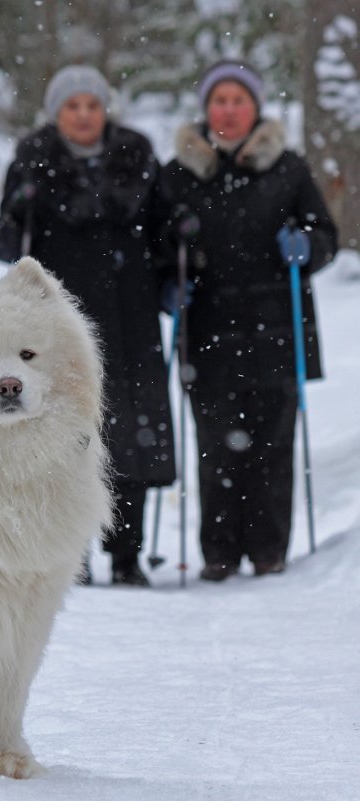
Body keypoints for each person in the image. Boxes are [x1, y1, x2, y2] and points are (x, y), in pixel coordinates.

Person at [0, 65, 175, 587]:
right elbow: (5, 246)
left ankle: (126, 555)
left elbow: (163, 236)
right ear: (57, 113)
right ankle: (73, 554)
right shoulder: (32, 161)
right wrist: (18, 210)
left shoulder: (136, 157)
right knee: (66, 434)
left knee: (131, 437)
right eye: (73, 106)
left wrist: (183, 255)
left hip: (132, 318)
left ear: (105, 109)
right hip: (62, 327)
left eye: (92, 105)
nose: (84, 115)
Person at [161, 59, 338, 581]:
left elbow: (324, 235)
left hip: (276, 330)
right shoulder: (179, 176)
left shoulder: (288, 169)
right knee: (216, 444)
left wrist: (307, 245)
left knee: (272, 445)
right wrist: (170, 279)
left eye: (239, 100)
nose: (229, 110)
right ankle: (218, 552)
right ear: (206, 108)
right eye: (220, 101)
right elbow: (159, 245)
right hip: (209, 331)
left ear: (255, 108)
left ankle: (268, 550)